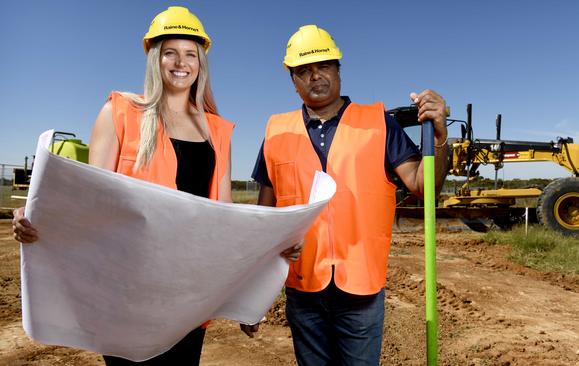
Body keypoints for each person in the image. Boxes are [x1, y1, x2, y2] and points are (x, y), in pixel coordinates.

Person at [12, 6, 238, 365]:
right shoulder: (120, 113)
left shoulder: (218, 131)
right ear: (154, 57)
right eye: (170, 52)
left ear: (201, 63)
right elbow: (88, 198)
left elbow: (225, 215)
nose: (181, 62)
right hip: (125, 292)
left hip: (188, 294)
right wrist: (38, 213)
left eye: (190, 54)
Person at [247, 25, 449, 365]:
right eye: (304, 70)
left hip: (361, 291)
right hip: (302, 288)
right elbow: (263, 220)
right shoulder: (275, 131)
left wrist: (440, 137)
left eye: (323, 66)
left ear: (338, 69)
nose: (315, 76)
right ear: (292, 80)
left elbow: (423, 185)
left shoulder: (379, 123)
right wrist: (251, 298)